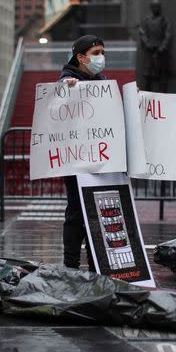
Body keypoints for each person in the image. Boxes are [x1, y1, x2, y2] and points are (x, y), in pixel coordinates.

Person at [58, 35, 106, 270]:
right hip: (75, 159)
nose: (101, 58)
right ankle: (71, 263)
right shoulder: (68, 79)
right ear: (80, 57)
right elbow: (57, 101)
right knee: (76, 211)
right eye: (96, 53)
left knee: (95, 211)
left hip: (96, 158)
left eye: (102, 53)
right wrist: (67, 89)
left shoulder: (100, 80)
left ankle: (96, 262)